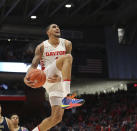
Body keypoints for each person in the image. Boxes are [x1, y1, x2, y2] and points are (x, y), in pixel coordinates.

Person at [24, 24, 84, 131]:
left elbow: (68, 65)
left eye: (58, 27)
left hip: (59, 82)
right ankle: (68, 96)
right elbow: (33, 66)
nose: (57, 28)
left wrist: (60, 79)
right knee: (68, 57)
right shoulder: (41, 47)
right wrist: (26, 78)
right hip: (47, 76)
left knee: (56, 118)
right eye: (54, 27)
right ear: (48, 32)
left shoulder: (67, 44)